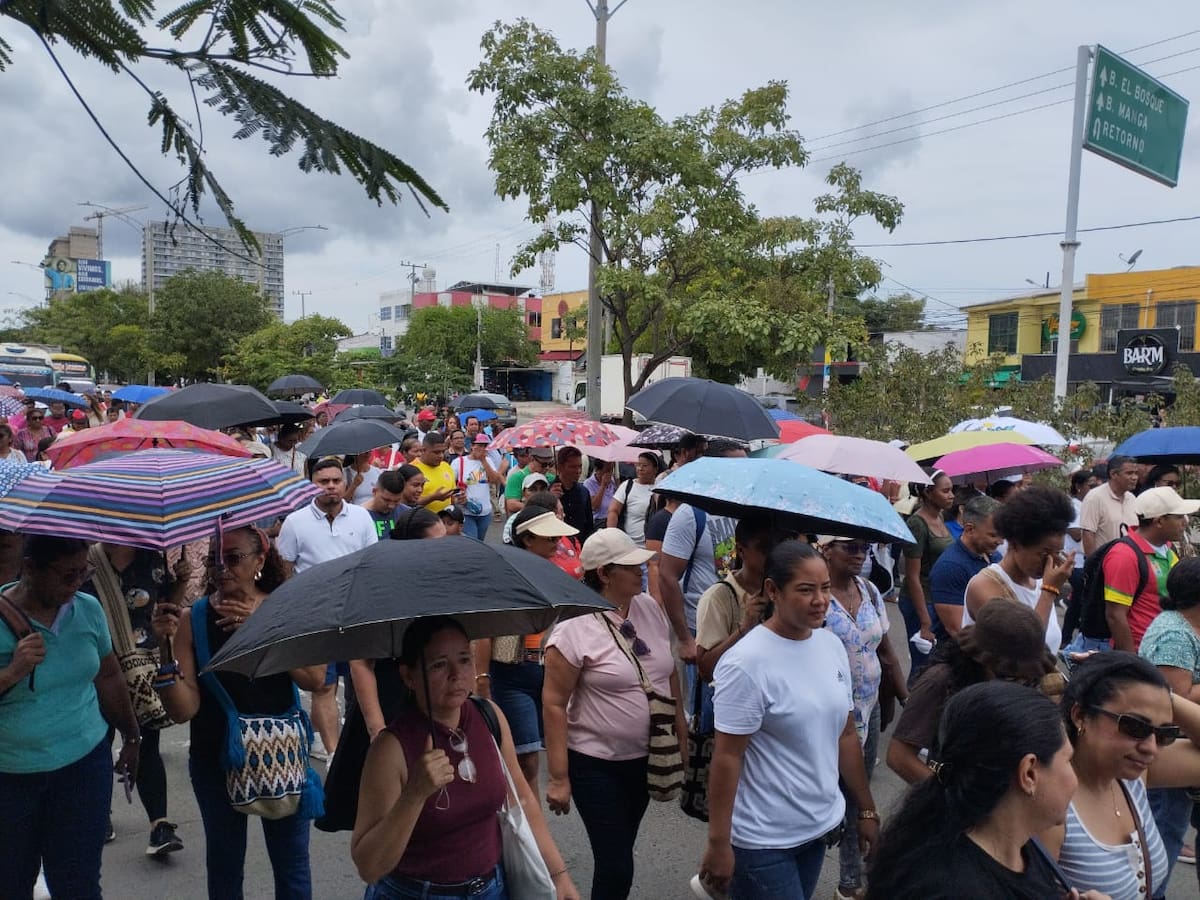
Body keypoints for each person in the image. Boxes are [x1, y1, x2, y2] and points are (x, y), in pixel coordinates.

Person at [151, 526, 327, 898]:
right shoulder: (193, 618)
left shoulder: (285, 607)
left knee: (291, 867)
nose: (223, 569)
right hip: (216, 758)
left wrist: (262, 629)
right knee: (225, 866)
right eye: (215, 559)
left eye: (233, 558)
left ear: (260, 561)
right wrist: (165, 651)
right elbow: (185, 710)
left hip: (280, 755)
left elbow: (314, 678)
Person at [351, 617, 580, 900]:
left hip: (492, 889)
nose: (456, 674)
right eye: (438, 664)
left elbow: (522, 799)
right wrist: (414, 794)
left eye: (464, 659)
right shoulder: (391, 748)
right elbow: (369, 867)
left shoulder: (489, 716)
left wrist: (559, 875)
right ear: (408, 676)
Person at [699, 541, 877, 900]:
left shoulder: (830, 645)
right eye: (806, 590)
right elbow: (727, 757)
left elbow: (844, 735)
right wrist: (719, 843)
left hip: (818, 827)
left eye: (825, 588)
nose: (820, 600)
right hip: (763, 840)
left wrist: (867, 808)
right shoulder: (745, 663)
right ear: (772, 591)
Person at [544, 529, 682, 900]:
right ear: (604, 573)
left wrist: (681, 737)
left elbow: (669, 673)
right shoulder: (573, 627)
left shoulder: (649, 608)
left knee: (621, 849)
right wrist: (559, 777)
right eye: (630, 566)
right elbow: (554, 703)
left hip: (647, 758)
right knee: (616, 863)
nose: (641, 570)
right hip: (594, 764)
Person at [0, 535, 140, 900]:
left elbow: (108, 676)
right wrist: (13, 671)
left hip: (83, 768)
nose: (76, 583)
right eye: (66, 575)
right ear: (29, 568)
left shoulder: (88, 608)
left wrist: (132, 735)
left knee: (77, 884)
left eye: (83, 572)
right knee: (11, 883)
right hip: (11, 779)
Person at [866, 682, 1100, 900]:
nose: (1075, 777)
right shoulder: (948, 887)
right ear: (1029, 773)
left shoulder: (1022, 848)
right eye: (1069, 760)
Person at [1043, 652, 1200, 900]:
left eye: (1164, 734)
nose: (1151, 747)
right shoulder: (1051, 806)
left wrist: (1158, 692)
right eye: (1135, 726)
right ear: (1080, 715)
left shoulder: (1132, 775)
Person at [82, 542, 190, 858]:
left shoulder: (152, 559)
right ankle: (100, 815)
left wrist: (181, 582)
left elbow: (168, 606)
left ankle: (160, 825)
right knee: (99, 745)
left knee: (147, 745)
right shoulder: (88, 562)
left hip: (143, 670)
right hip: (97, 669)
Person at [821, 534, 909, 900]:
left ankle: (850, 880)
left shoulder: (870, 591)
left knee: (859, 793)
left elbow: (886, 651)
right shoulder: (816, 598)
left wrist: (903, 697)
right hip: (827, 717)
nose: (860, 554)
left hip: (868, 708)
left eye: (864, 548)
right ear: (826, 549)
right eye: (850, 547)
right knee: (829, 792)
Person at [887, 601, 1058, 784]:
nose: (1021, 684)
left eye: (1028, 677)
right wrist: (951, 798)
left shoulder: (1029, 683)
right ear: (982, 660)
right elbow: (900, 756)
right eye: (1010, 677)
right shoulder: (941, 680)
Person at [277, 457, 379, 757]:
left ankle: (361, 747)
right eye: (324, 481)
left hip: (354, 613)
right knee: (323, 686)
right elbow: (285, 568)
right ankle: (334, 755)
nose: (331, 487)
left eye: (336, 481)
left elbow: (370, 563)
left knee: (361, 681)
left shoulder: (361, 517)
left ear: (344, 484)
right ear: (313, 484)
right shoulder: (295, 522)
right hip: (314, 617)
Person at [476, 507, 580, 788]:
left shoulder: (556, 573)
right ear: (527, 539)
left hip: (549, 672)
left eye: (557, 538)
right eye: (549, 538)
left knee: (550, 753)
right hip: (512, 674)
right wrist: (482, 681)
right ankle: (527, 826)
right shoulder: (503, 576)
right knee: (527, 758)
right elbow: (483, 631)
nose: (557, 543)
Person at [1140, 558, 1200, 893]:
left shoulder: (1187, 626)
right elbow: (1177, 698)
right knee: (1163, 836)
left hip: (1187, 748)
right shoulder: (1175, 634)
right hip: (1170, 750)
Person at [658, 442, 746, 665]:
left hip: (742, 625)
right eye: (738, 468)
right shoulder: (690, 514)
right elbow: (667, 576)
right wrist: (685, 638)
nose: (746, 473)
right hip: (701, 627)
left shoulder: (747, 511)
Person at [964, 485, 1076, 653]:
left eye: (1057, 553)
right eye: (1043, 553)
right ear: (1015, 543)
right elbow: (1025, 649)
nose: (1050, 562)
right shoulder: (984, 586)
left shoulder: (1038, 582)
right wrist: (1049, 591)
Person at [1102, 486, 1195, 653]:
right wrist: (1133, 663)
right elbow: (1115, 615)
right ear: (1159, 521)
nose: (1185, 522)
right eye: (1179, 517)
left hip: (1169, 648)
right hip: (1144, 651)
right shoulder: (1124, 555)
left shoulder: (1167, 548)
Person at [695, 516, 775, 684]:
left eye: (778, 546)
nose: (773, 554)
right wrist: (744, 628)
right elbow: (706, 670)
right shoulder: (718, 597)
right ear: (741, 550)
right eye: (765, 548)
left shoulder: (783, 591)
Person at [898, 470, 956, 679]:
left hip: (939, 599)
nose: (952, 496)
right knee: (923, 661)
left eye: (952, 490)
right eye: (946, 491)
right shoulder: (917, 524)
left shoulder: (940, 517)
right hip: (920, 601)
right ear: (928, 493)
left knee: (937, 660)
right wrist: (925, 621)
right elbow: (912, 576)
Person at [928, 495, 1003, 641]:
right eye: (993, 535)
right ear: (969, 529)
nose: (1000, 541)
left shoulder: (994, 557)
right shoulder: (950, 567)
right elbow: (957, 630)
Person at [1063, 469, 1102, 646]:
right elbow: (1077, 534)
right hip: (1075, 561)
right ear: (1078, 487)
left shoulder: (1091, 504)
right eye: (1090, 485)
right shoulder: (1072, 506)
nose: (1094, 489)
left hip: (1088, 560)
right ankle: (1068, 638)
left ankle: (1068, 637)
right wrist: (1092, 527)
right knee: (1081, 599)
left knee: (1080, 600)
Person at [1080, 455, 1140, 557]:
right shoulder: (1095, 497)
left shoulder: (1132, 498)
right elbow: (1088, 534)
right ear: (1113, 474)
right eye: (1129, 473)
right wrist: (1094, 567)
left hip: (1129, 562)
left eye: (1136, 473)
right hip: (1104, 564)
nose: (1134, 477)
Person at [606, 451, 661, 547]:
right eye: (638, 465)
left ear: (655, 469)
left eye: (645, 465)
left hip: (653, 547)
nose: (640, 469)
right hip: (629, 546)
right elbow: (613, 511)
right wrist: (612, 537)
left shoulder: (660, 489)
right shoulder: (627, 486)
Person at [453, 434, 503, 540]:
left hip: (485, 511)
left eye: (484, 446)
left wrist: (483, 461)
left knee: (480, 541)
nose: (482, 449)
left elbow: (494, 480)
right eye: (479, 445)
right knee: (473, 540)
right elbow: (450, 484)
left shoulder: (488, 461)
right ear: (472, 446)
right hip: (466, 511)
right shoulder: (459, 462)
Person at [413, 432, 462, 514]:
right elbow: (408, 503)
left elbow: (452, 498)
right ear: (423, 450)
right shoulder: (412, 469)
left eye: (443, 452)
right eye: (436, 452)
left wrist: (459, 499)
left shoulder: (446, 466)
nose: (441, 456)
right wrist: (433, 498)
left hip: (446, 522)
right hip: (423, 522)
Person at [553, 447, 594, 540]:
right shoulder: (550, 492)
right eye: (572, 467)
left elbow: (589, 524)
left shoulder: (584, 492)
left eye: (580, 466)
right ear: (560, 467)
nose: (578, 471)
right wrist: (552, 499)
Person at [504, 447, 555, 514]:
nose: (547, 468)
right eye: (544, 465)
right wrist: (538, 508)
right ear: (532, 459)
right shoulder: (517, 477)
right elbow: (512, 504)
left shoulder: (551, 478)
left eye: (550, 464)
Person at [362, 469, 408, 540]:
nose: (391, 506)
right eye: (386, 500)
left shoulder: (407, 514)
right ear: (374, 492)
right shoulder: (360, 515)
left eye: (397, 501)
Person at [585, 458, 617, 529]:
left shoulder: (612, 480)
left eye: (611, 470)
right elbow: (594, 507)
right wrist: (603, 486)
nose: (610, 473)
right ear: (597, 470)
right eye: (607, 470)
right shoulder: (588, 484)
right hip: (599, 521)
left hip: (612, 517)